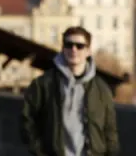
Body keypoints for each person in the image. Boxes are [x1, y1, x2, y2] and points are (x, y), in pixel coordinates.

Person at [21, 26, 119, 156]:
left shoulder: (101, 89)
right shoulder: (43, 84)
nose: (74, 49)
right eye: (69, 45)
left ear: (88, 51)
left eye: (80, 46)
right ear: (63, 49)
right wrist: (39, 152)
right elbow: (27, 120)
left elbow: (110, 131)